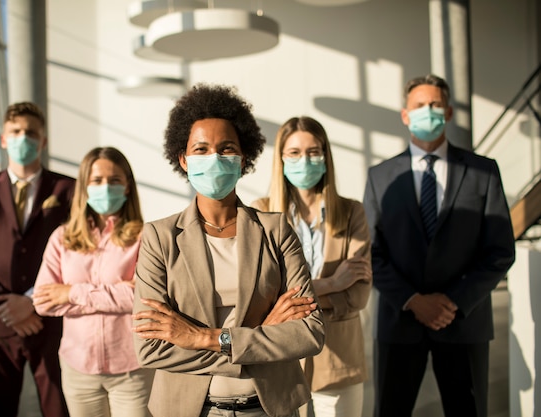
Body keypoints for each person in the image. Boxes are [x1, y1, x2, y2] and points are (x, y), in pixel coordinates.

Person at [131, 83, 326, 417]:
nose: (214, 158)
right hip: (191, 410)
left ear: (243, 158)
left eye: (226, 149)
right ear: (183, 159)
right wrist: (261, 337)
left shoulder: (276, 230)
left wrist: (204, 338)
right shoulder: (159, 238)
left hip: (270, 407)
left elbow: (310, 333)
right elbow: (150, 349)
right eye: (202, 149)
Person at [362, 74, 516, 417]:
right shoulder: (380, 175)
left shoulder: (483, 172)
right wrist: (414, 300)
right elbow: (371, 253)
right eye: (419, 106)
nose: (427, 112)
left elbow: (500, 249)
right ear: (405, 114)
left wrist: (452, 301)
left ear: (447, 112)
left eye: (434, 105)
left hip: (464, 321)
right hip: (398, 321)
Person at [0, 102, 73, 417]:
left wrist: (32, 301)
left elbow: (77, 254)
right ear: (4, 139)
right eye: (16, 132)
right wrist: (6, 305)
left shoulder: (67, 189)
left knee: (60, 410)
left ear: (43, 141)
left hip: (49, 322)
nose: (24, 138)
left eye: (31, 133)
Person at [251, 116, 372, 417]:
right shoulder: (260, 213)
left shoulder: (351, 212)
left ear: (325, 156)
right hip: (282, 358)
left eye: (313, 152)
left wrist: (291, 299)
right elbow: (262, 294)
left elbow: (357, 296)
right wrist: (332, 284)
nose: (304, 160)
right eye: (294, 153)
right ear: (281, 158)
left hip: (339, 356)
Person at [33, 146, 153, 417]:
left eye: (114, 180)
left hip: (132, 370)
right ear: (84, 186)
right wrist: (115, 293)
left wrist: (71, 293)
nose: (105, 187)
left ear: (127, 187)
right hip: (78, 370)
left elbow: (141, 299)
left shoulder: (145, 237)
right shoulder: (62, 238)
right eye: (96, 180)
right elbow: (42, 302)